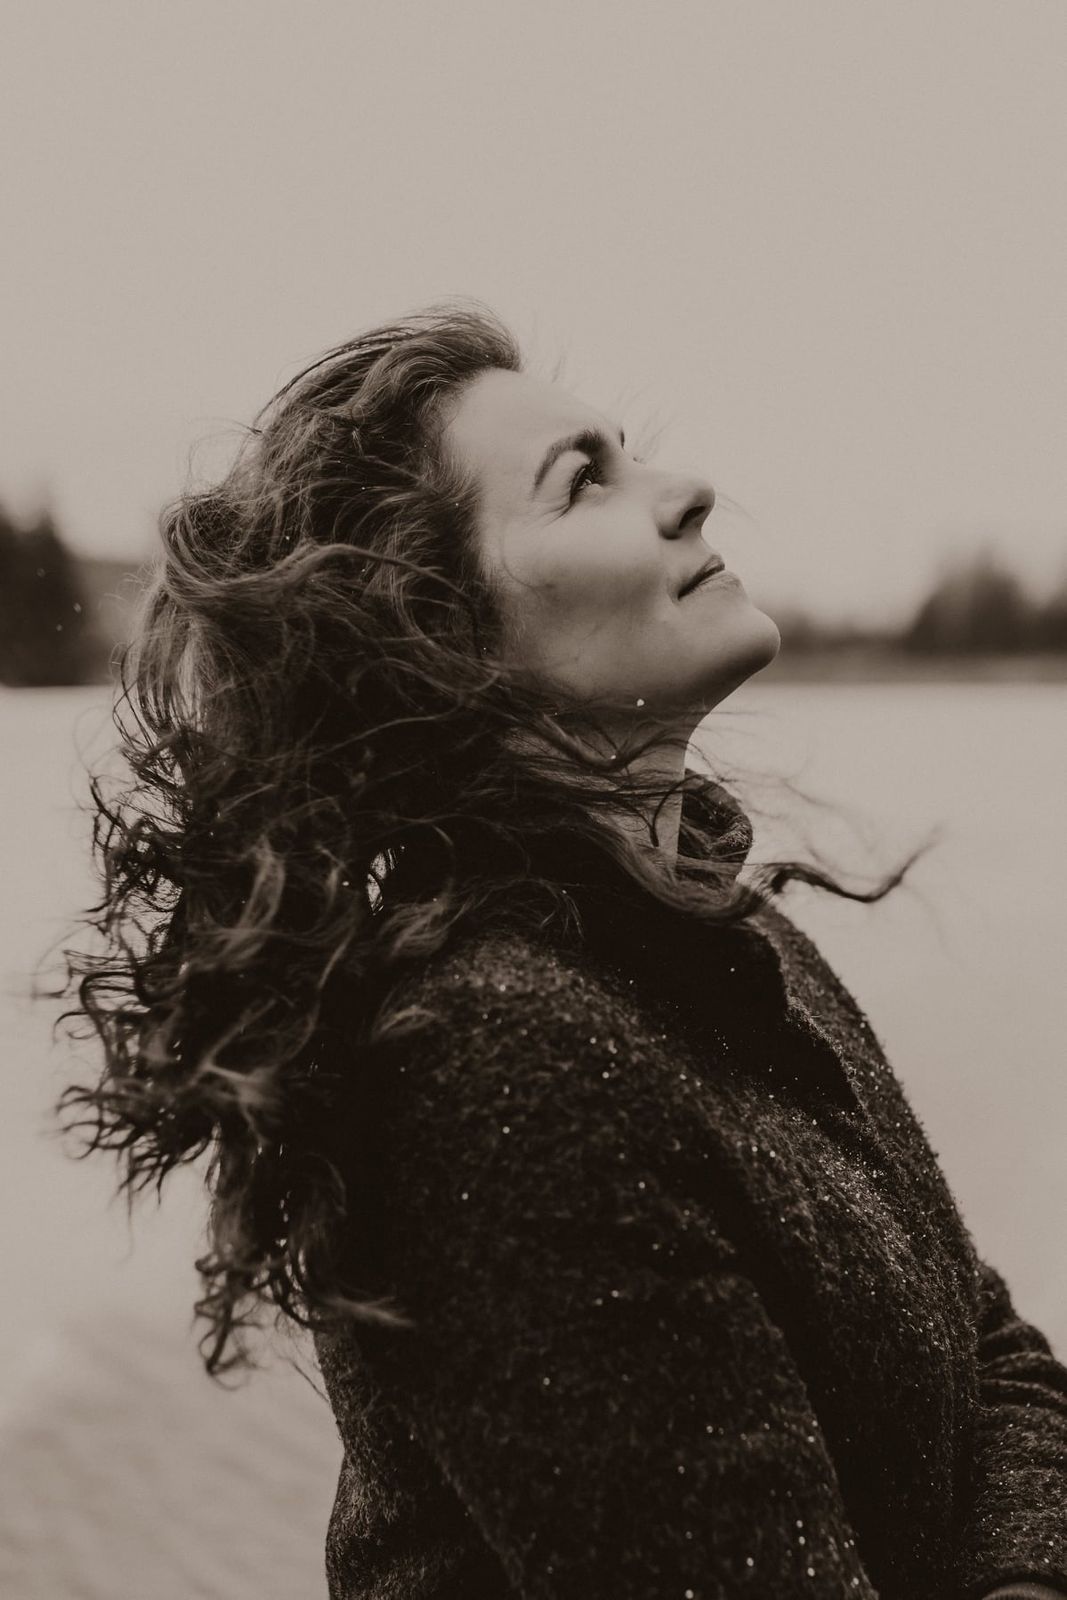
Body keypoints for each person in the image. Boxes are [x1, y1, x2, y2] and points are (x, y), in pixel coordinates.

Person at [59, 304, 1067, 1599]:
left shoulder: (723, 930)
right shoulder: (490, 1065)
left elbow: (987, 1338)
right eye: (583, 480)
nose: (688, 491)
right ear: (439, 632)